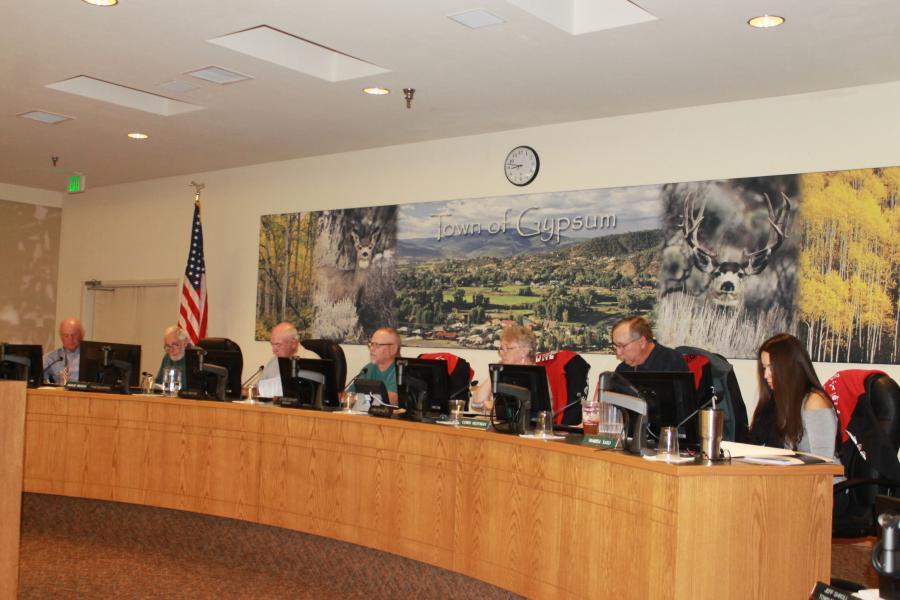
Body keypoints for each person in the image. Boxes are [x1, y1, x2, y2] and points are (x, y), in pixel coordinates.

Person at [749, 333, 839, 461]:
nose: (765, 375)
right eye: (764, 368)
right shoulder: (776, 401)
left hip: (820, 479)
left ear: (790, 367)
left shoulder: (815, 401)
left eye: (771, 367)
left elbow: (823, 463)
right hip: (791, 477)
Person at [470, 324, 538, 414]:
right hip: (503, 427)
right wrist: (494, 371)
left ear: (524, 352)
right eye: (501, 349)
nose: (502, 353)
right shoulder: (504, 372)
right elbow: (476, 402)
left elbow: (531, 412)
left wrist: (495, 408)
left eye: (508, 348)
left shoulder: (536, 376)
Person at [259, 322, 320, 397]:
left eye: (278, 345)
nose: (274, 351)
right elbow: (259, 389)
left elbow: (315, 395)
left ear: (293, 344)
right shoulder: (273, 361)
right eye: (272, 345)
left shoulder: (312, 360)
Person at [611, 316, 688, 373]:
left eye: (622, 346)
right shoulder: (622, 370)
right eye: (616, 346)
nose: (618, 353)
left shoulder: (672, 362)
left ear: (642, 342)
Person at [352, 327, 401, 410]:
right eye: (371, 344)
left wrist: (360, 398)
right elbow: (348, 396)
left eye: (377, 345)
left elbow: (391, 400)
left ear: (393, 348)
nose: (371, 349)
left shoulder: (401, 371)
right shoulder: (368, 369)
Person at [42, 317, 84, 384]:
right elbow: (38, 380)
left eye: (74, 335)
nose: (70, 339)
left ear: (81, 335)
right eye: (66, 335)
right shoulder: (51, 358)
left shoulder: (91, 357)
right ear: (61, 336)